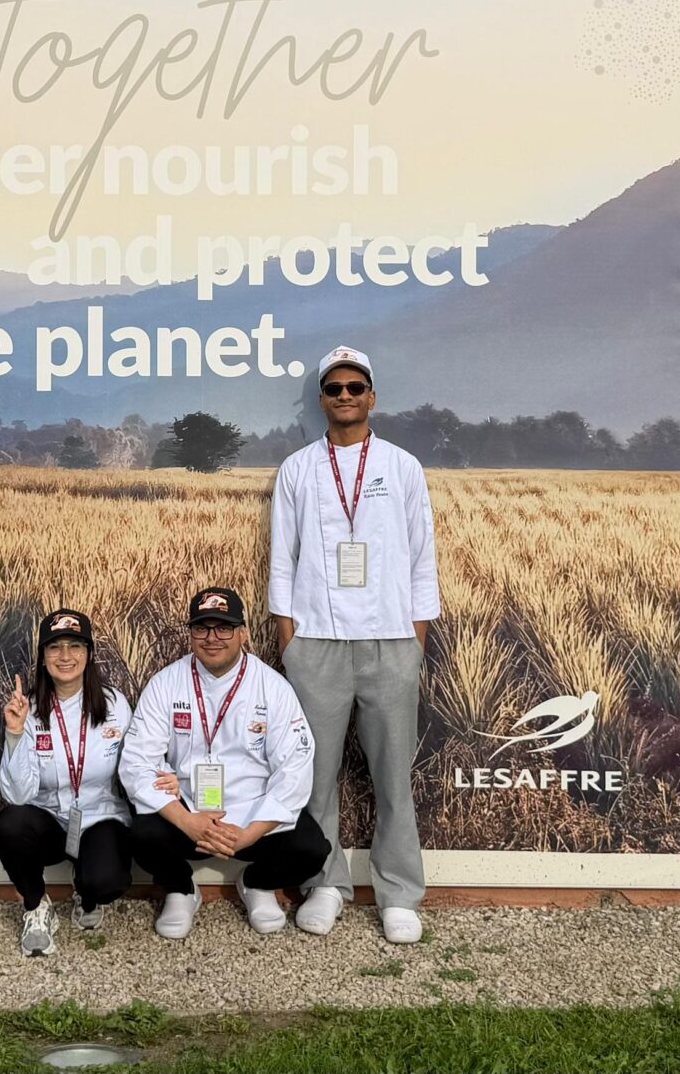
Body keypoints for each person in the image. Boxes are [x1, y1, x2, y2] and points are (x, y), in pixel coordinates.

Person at [267, 345, 438, 944]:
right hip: (317, 643)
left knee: (394, 777)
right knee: (315, 777)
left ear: (371, 396)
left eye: (355, 386)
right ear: (322, 399)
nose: (344, 396)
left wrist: (415, 639)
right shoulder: (297, 469)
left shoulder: (403, 467)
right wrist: (289, 640)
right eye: (334, 388)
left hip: (391, 642)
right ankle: (325, 885)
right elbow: (281, 561)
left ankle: (399, 895)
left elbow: (423, 560)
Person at [121, 587, 326, 938]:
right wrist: (187, 821)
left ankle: (258, 884)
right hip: (190, 812)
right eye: (202, 628)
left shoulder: (272, 687)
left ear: (243, 632)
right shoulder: (166, 684)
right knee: (141, 833)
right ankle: (181, 889)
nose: (212, 638)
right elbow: (136, 763)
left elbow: (295, 767)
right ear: (190, 634)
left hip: (250, 813)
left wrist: (247, 835)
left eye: (224, 628)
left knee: (311, 849)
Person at [0, 609, 133, 956]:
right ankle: (36, 906)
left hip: (99, 816)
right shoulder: (30, 709)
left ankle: (86, 891)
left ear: (89, 653)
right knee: (10, 825)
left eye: (75, 646)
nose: (65, 656)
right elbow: (17, 795)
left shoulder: (116, 705)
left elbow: (136, 768)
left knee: (107, 882)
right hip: (51, 821)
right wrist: (14, 733)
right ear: (43, 657)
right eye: (55, 648)